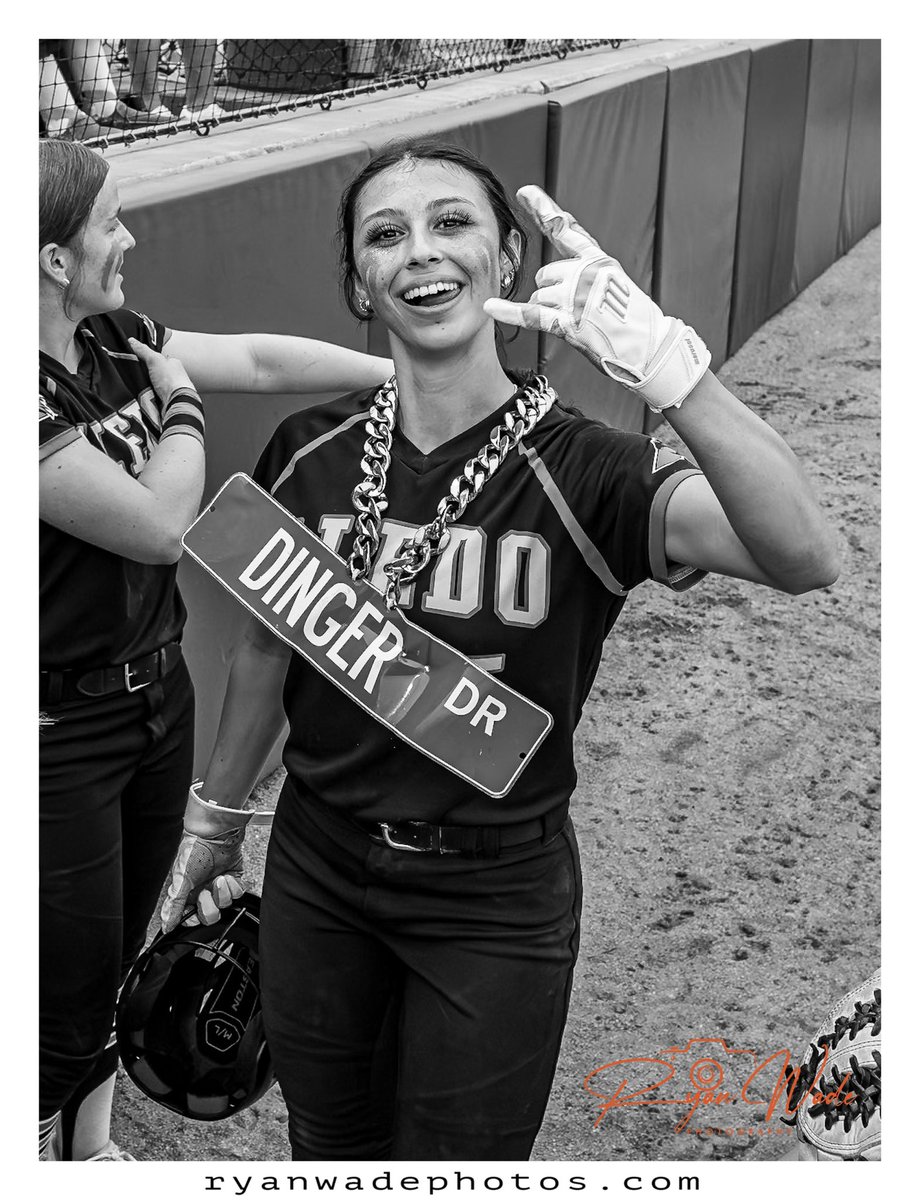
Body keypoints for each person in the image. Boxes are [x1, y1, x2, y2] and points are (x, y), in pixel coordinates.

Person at [161, 137, 839, 1160]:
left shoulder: (591, 468)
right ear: (357, 284)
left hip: (493, 896)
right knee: (327, 1147)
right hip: (317, 866)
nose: (418, 253)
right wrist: (213, 830)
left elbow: (804, 556)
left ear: (508, 262)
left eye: (451, 223)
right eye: (383, 236)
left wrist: (672, 374)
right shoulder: (307, 447)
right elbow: (264, 651)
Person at [38, 138, 392, 1162]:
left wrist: (409, 372)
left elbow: (264, 359)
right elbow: (158, 525)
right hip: (55, 727)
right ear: (57, 258)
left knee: (123, 955)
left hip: (151, 697)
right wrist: (183, 405)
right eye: (110, 221)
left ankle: (90, 1150)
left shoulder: (112, 343)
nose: (128, 237)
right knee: (60, 987)